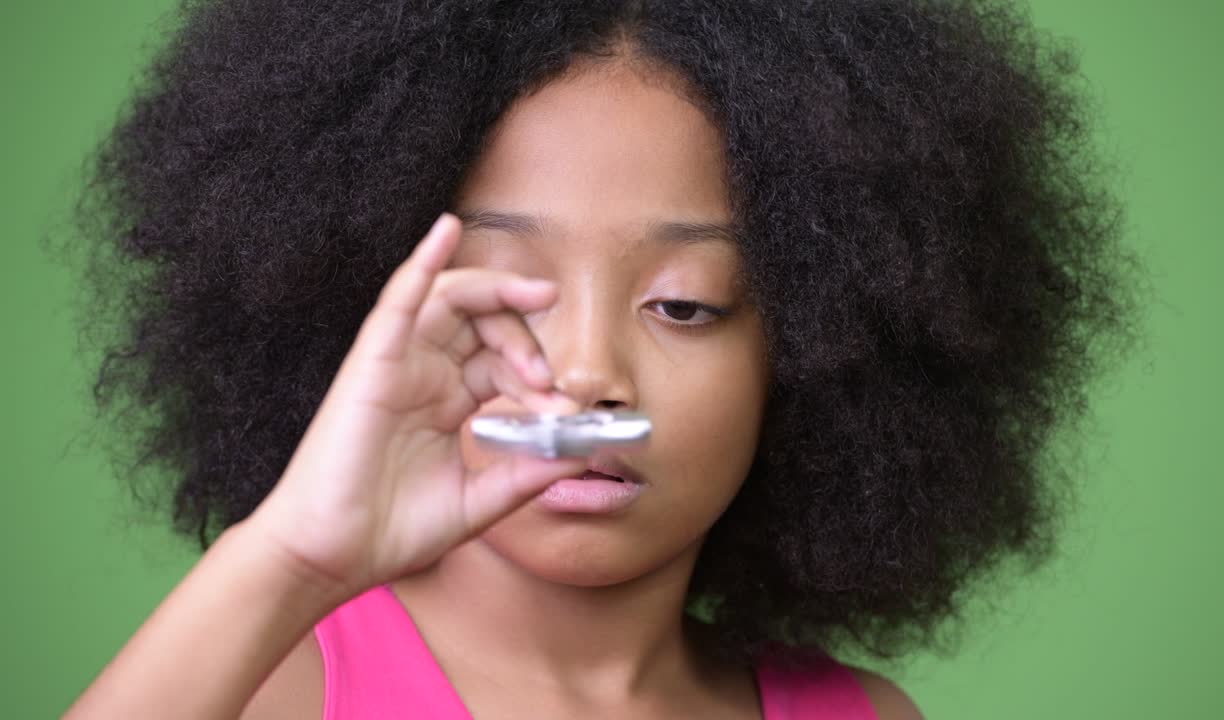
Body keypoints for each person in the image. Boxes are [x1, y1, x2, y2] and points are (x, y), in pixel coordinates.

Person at [61, 0, 1141, 717]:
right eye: (504, 295)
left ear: (817, 354)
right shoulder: (271, 688)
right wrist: (291, 555)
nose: (585, 372)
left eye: (683, 305)